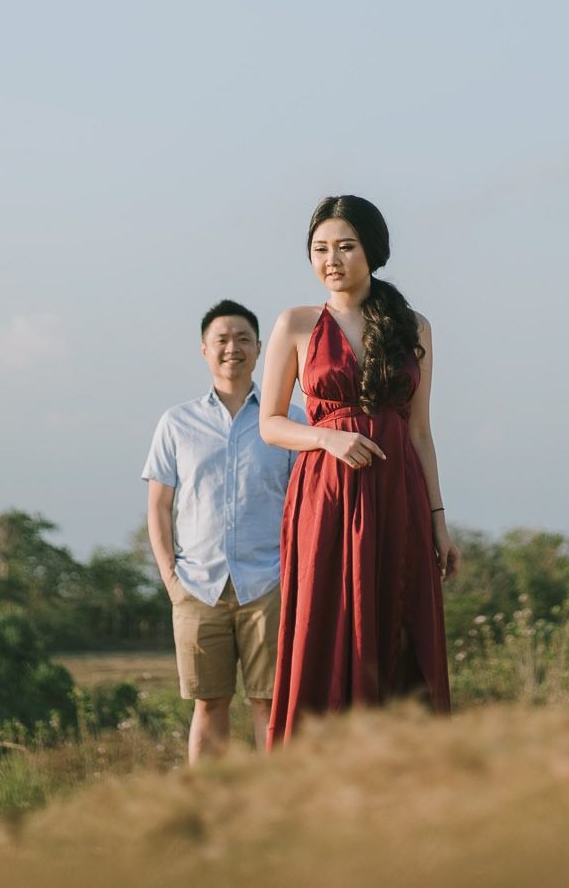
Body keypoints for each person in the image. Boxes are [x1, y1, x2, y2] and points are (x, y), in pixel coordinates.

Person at [260, 194, 457, 746]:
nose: (332, 260)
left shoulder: (414, 327)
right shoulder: (295, 324)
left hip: (399, 496)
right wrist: (327, 436)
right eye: (320, 249)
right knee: (325, 619)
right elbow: (270, 424)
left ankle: (400, 764)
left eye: (345, 246)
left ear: (373, 250)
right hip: (324, 498)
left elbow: (420, 432)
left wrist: (439, 524)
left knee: (400, 619)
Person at [142, 299, 301, 763]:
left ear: (260, 348)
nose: (233, 348)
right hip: (197, 585)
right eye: (222, 340)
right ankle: (209, 799)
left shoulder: (290, 420)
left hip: (270, 582)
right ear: (204, 349)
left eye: (243, 339)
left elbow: (305, 506)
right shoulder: (176, 423)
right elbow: (159, 506)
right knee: (209, 703)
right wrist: (170, 578)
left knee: (270, 702)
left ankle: (277, 797)